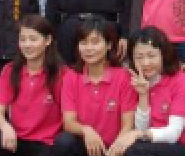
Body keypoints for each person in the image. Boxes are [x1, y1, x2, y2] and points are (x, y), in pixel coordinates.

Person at [109, 26, 185, 156]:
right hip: (152, 146)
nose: (146, 63)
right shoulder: (136, 81)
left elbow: (173, 134)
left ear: (163, 54)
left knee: (134, 150)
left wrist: (137, 134)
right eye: (139, 57)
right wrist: (143, 95)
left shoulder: (181, 81)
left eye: (151, 56)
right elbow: (142, 129)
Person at [56, 15, 137, 156]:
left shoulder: (123, 76)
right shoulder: (71, 76)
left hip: (115, 147)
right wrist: (87, 130)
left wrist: (115, 149)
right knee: (64, 141)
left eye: (95, 42)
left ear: (109, 45)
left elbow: (128, 125)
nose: (89, 48)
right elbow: (68, 123)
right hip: (86, 145)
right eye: (83, 42)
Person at [0, 14, 65, 156]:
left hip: (48, 142)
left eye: (33, 39)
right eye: (22, 39)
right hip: (17, 139)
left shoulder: (63, 74)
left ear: (48, 40)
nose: (27, 45)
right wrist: (5, 126)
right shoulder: (10, 70)